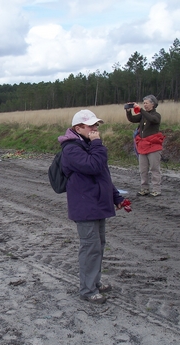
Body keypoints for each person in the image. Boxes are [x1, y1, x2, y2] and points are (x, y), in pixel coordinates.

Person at [58, 109, 125, 304]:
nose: (96, 129)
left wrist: (116, 197)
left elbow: (103, 175)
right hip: (85, 206)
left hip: (97, 204)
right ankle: (87, 290)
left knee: (98, 245)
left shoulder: (88, 145)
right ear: (78, 128)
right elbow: (94, 166)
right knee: (90, 248)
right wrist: (97, 144)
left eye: (97, 125)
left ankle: (94, 281)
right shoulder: (71, 149)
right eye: (91, 126)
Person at [126, 95, 164, 197]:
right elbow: (132, 119)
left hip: (153, 146)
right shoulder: (143, 115)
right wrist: (129, 111)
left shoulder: (157, 115)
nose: (145, 105)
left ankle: (156, 190)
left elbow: (152, 119)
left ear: (153, 104)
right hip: (143, 146)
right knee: (143, 169)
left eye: (146, 103)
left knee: (154, 169)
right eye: (144, 103)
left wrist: (141, 110)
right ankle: (144, 188)